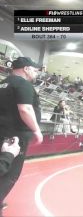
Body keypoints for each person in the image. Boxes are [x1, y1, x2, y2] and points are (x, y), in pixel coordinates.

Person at [0, 57, 43, 213]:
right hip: (16, 137)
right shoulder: (23, 84)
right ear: (26, 68)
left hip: (3, 132)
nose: (36, 73)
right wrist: (37, 130)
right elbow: (25, 109)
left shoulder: (3, 83)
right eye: (34, 69)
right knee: (10, 174)